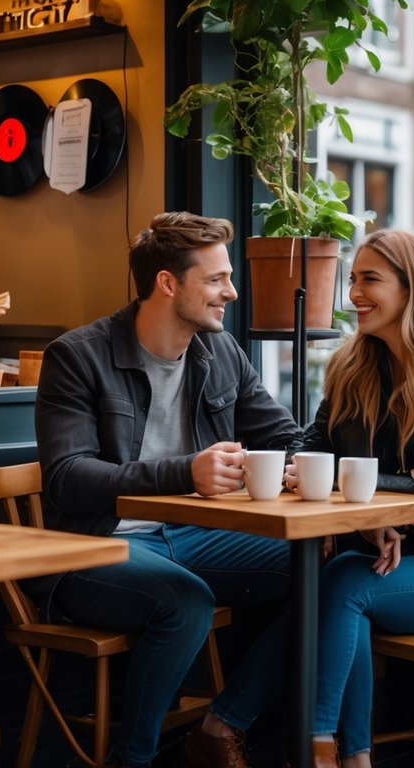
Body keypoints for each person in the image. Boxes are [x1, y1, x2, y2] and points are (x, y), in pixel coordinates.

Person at [207, 229, 414, 768]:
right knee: (337, 593)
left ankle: (300, 744)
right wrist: (296, 470)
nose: (353, 294)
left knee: (340, 584)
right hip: (372, 562)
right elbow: (309, 444)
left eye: (370, 279)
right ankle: (354, 757)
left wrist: (368, 494)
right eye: (352, 279)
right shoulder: (352, 367)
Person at [34, 211, 302, 768]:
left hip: (195, 538)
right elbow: (67, 477)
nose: (230, 291)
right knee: (186, 601)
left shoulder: (220, 352)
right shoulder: (78, 356)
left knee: (324, 570)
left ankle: (219, 726)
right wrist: (186, 472)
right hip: (94, 546)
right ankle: (132, 759)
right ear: (167, 282)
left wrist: (311, 467)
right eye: (215, 279)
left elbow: (285, 435)